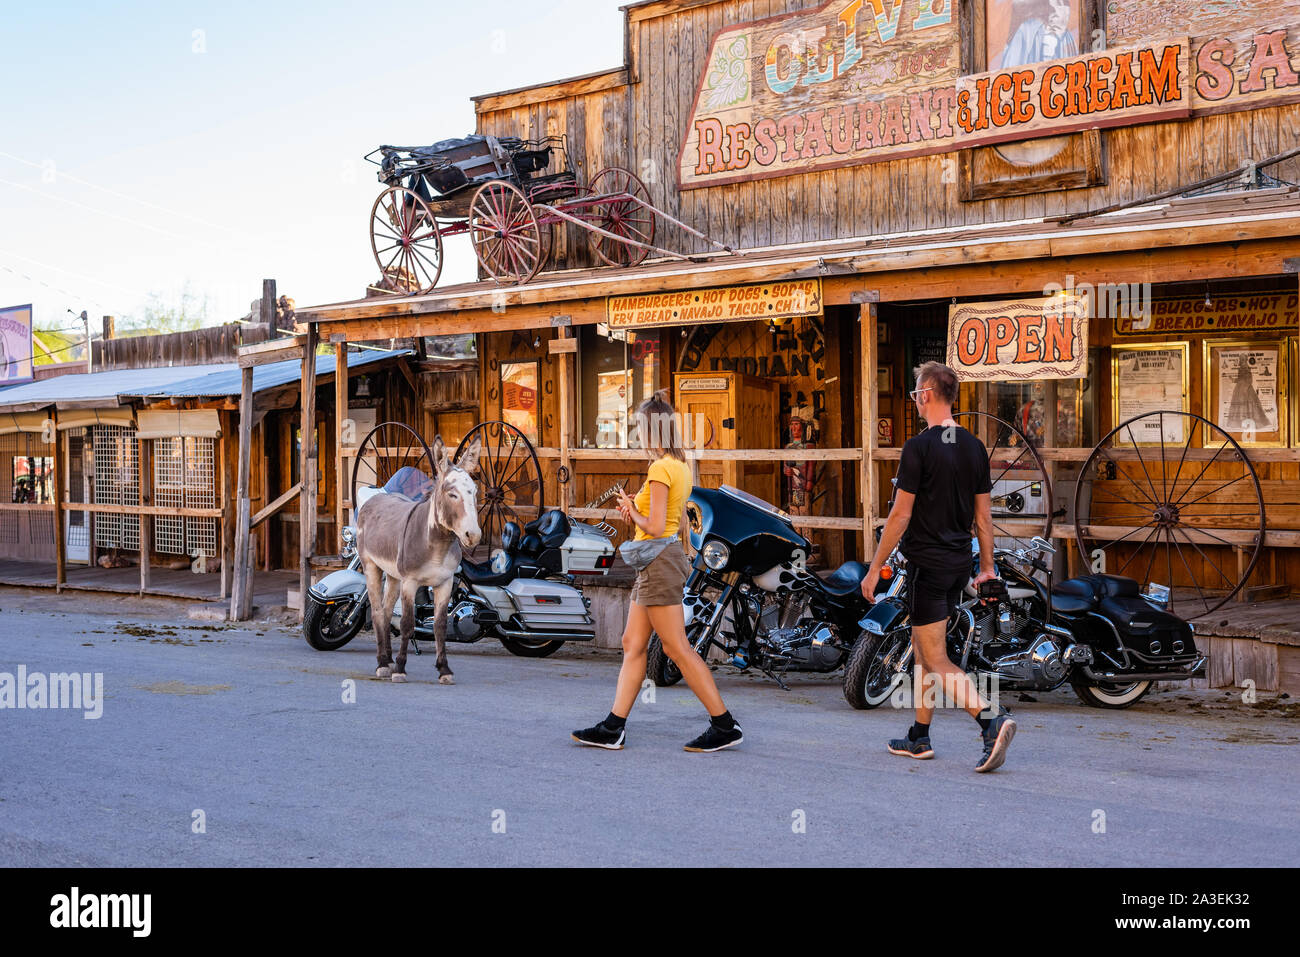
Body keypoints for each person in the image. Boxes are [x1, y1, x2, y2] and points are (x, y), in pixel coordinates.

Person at [861, 362, 1017, 772]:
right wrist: (986, 568)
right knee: (923, 651)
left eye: (915, 393)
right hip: (958, 563)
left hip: (927, 566)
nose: (914, 400)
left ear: (927, 394)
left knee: (936, 659)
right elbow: (984, 519)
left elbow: (899, 516)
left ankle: (990, 720)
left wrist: (874, 567)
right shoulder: (973, 447)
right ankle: (919, 735)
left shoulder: (919, 447)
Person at [572, 391, 743, 752]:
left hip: (657, 562)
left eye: (639, 426)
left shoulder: (660, 468)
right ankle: (613, 727)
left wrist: (633, 513)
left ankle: (724, 725)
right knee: (632, 644)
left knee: (676, 647)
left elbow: (652, 525)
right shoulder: (680, 467)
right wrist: (637, 507)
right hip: (659, 559)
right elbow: (677, 520)